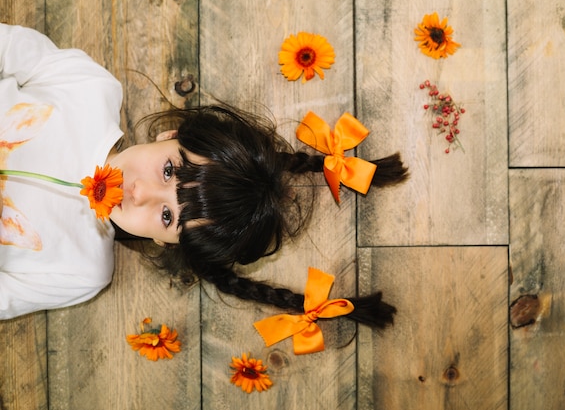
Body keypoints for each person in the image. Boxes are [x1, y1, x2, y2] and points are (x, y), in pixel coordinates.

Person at [0, 23, 408, 327]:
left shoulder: (82, 272)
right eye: (167, 170)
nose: (138, 193)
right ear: (173, 133)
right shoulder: (91, 90)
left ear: (167, 242)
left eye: (167, 217)